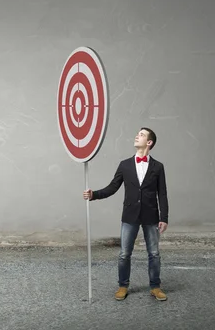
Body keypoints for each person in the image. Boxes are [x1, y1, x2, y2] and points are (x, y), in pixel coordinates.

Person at [83, 127, 169, 301]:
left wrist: (164, 217)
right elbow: (112, 187)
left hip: (151, 216)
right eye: (138, 134)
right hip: (130, 215)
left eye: (142, 135)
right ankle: (123, 286)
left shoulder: (158, 167)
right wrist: (94, 195)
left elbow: (163, 193)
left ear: (149, 142)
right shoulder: (125, 165)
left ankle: (155, 287)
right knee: (124, 253)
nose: (137, 136)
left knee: (154, 253)